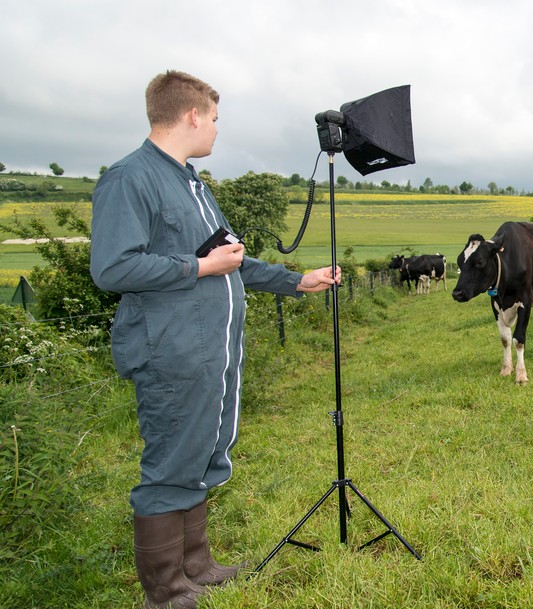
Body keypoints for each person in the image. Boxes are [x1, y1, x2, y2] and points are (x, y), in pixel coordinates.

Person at [90, 70, 340, 609]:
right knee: (171, 462)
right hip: (171, 349)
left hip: (213, 350)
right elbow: (113, 267)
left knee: (203, 454)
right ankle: (165, 589)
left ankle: (197, 565)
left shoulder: (192, 183)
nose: (218, 131)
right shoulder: (130, 179)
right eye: (216, 120)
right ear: (191, 115)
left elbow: (230, 261)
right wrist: (198, 265)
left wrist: (297, 280)